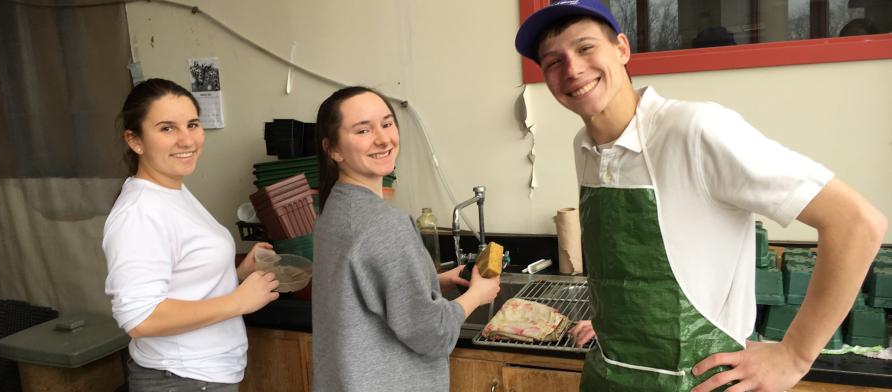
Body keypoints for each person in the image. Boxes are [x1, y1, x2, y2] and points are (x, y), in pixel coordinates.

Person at [514, 1, 887, 391]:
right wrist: (617, 319)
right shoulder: (585, 146)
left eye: (586, 47)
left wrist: (794, 355)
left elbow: (857, 223)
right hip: (610, 374)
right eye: (553, 62)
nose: (572, 69)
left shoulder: (694, 130)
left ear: (622, 49)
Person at [311, 86, 501, 392]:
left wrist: (433, 280)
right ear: (333, 149)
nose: (384, 139)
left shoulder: (334, 211)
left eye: (387, 124)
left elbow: (358, 289)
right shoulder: (385, 223)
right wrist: (477, 295)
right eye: (363, 130)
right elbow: (431, 333)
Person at [103, 78, 280, 391]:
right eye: (167, 128)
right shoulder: (140, 212)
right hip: (180, 379)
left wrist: (238, 273)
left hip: (205, 375)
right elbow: (141, 319)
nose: (187, 140)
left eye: (192, 124)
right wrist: (239, 302)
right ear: (136, 140)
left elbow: (184, 285)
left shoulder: (173, 191)